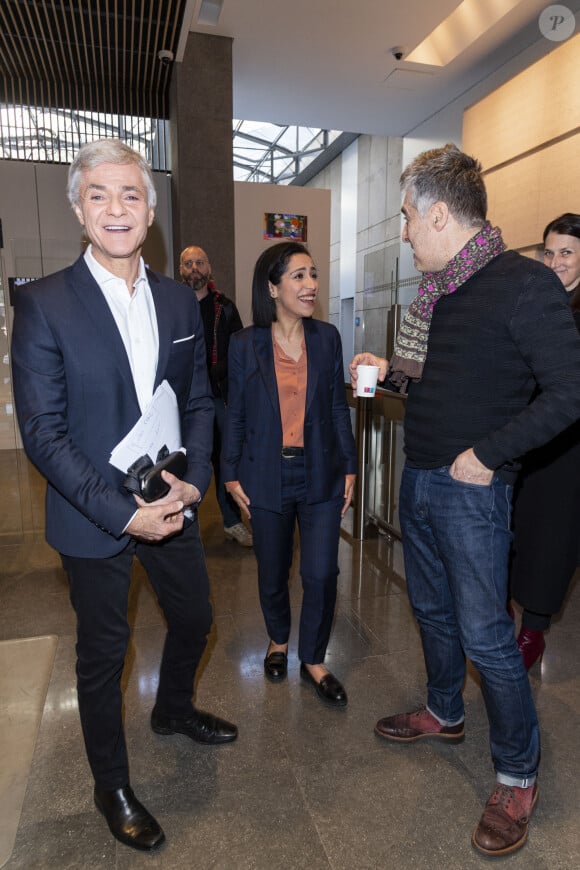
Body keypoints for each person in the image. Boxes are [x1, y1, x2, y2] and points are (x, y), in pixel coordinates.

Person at [350, 145, 580, 857]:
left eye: (409, 217)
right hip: (420, 479)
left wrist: (488, 455)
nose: (405, 231)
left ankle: (517, 774)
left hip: (474, 490)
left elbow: (570, 393)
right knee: (431, 610)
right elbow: (444, 385)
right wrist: (391, 375)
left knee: (486, 634)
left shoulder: (523, 284)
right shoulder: (441, 293)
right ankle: (445, 711)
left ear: (440, 213)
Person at [10, 139, 238, 853]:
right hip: (94, 516)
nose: (116, 208)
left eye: (130, 195)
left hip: (169, 502)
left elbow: (197, 399)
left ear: (150, 212)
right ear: (80, 209)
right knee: (105, 657)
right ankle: (111, 785)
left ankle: (173, 709)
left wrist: (195, 479)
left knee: (197, 618)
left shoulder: (178, 299)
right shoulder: (43, 303)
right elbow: (43, 434)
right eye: (100, 195)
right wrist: (122, 514)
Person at [222, 241, 357, 707]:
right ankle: (279, 640)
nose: (311, 285)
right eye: (298, 276)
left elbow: (339, 409)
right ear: (272, 287)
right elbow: (234, 413)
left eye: (313, 274)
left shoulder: (327, 338)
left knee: (321, 573)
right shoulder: (245, 344)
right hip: (264, 473)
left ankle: (314, 658)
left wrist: (351, 467)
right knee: (273, 571)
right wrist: (230, 472)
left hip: (320, 471)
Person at [509, 213, 580, 668]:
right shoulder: (532, 301)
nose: (555, 262)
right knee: (511, 534)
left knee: (550, 542)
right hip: (521, 441)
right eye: (549, 252)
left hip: (568, 450)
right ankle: (504, 617)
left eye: (567, 253)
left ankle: (533, 631)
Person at [179, 246, 252, 547]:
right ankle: (182, 524)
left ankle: (232, 521)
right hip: (182, 401)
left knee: (225, 460)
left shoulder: (225, 306)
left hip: (218, 398)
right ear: (181, 270)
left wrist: (221, 371)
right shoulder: (172, 304)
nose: (194, 267)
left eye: (199, 262)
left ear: (209, 268)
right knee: (183, 462)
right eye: (188, 263)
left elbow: (240, 350)